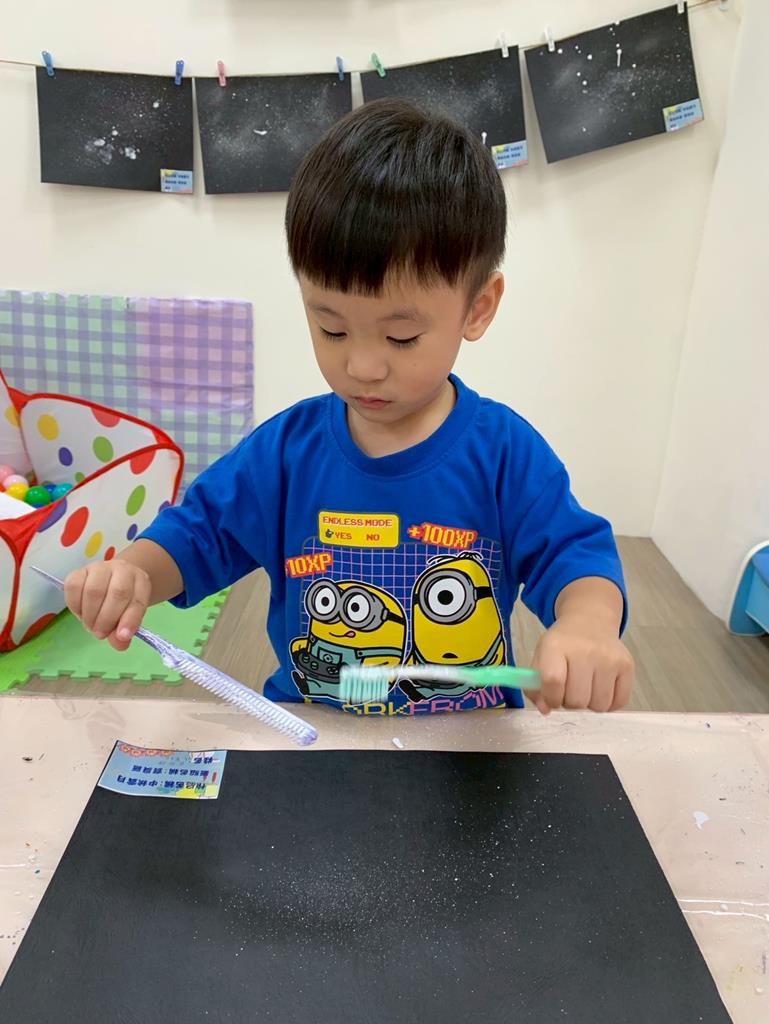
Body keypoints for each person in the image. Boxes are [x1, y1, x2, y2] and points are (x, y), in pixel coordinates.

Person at [63, 99, 635, 717]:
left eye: (401, 337)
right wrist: (136, 573)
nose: (362, 366)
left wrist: (588, 625)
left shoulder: (504, 453)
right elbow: (199, 532)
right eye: (331, 328)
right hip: (314, 732)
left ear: (478, 308)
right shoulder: (285, 453)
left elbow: (575, 555)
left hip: (467, 742)